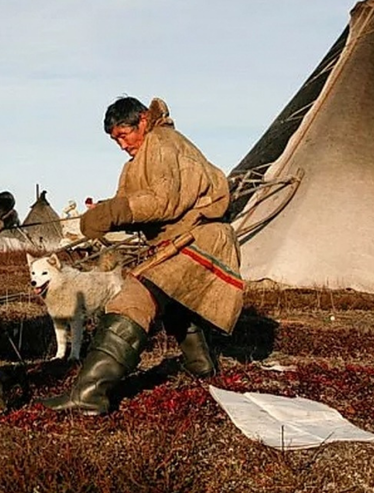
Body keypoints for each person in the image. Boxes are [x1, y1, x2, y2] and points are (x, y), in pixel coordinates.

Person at [42, 97, 243, 415]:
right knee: (175, 305)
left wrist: (115, 211)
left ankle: (89, 394)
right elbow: (132, 204)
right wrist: (104, 214)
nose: (122, 144)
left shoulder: (162, 143)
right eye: (116, 139)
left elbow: (163, 201)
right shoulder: (139, 158)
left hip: (198, 238)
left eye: (125, 135)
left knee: (134, 300)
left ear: (144, 121)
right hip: (182, 239)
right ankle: (202, 369)